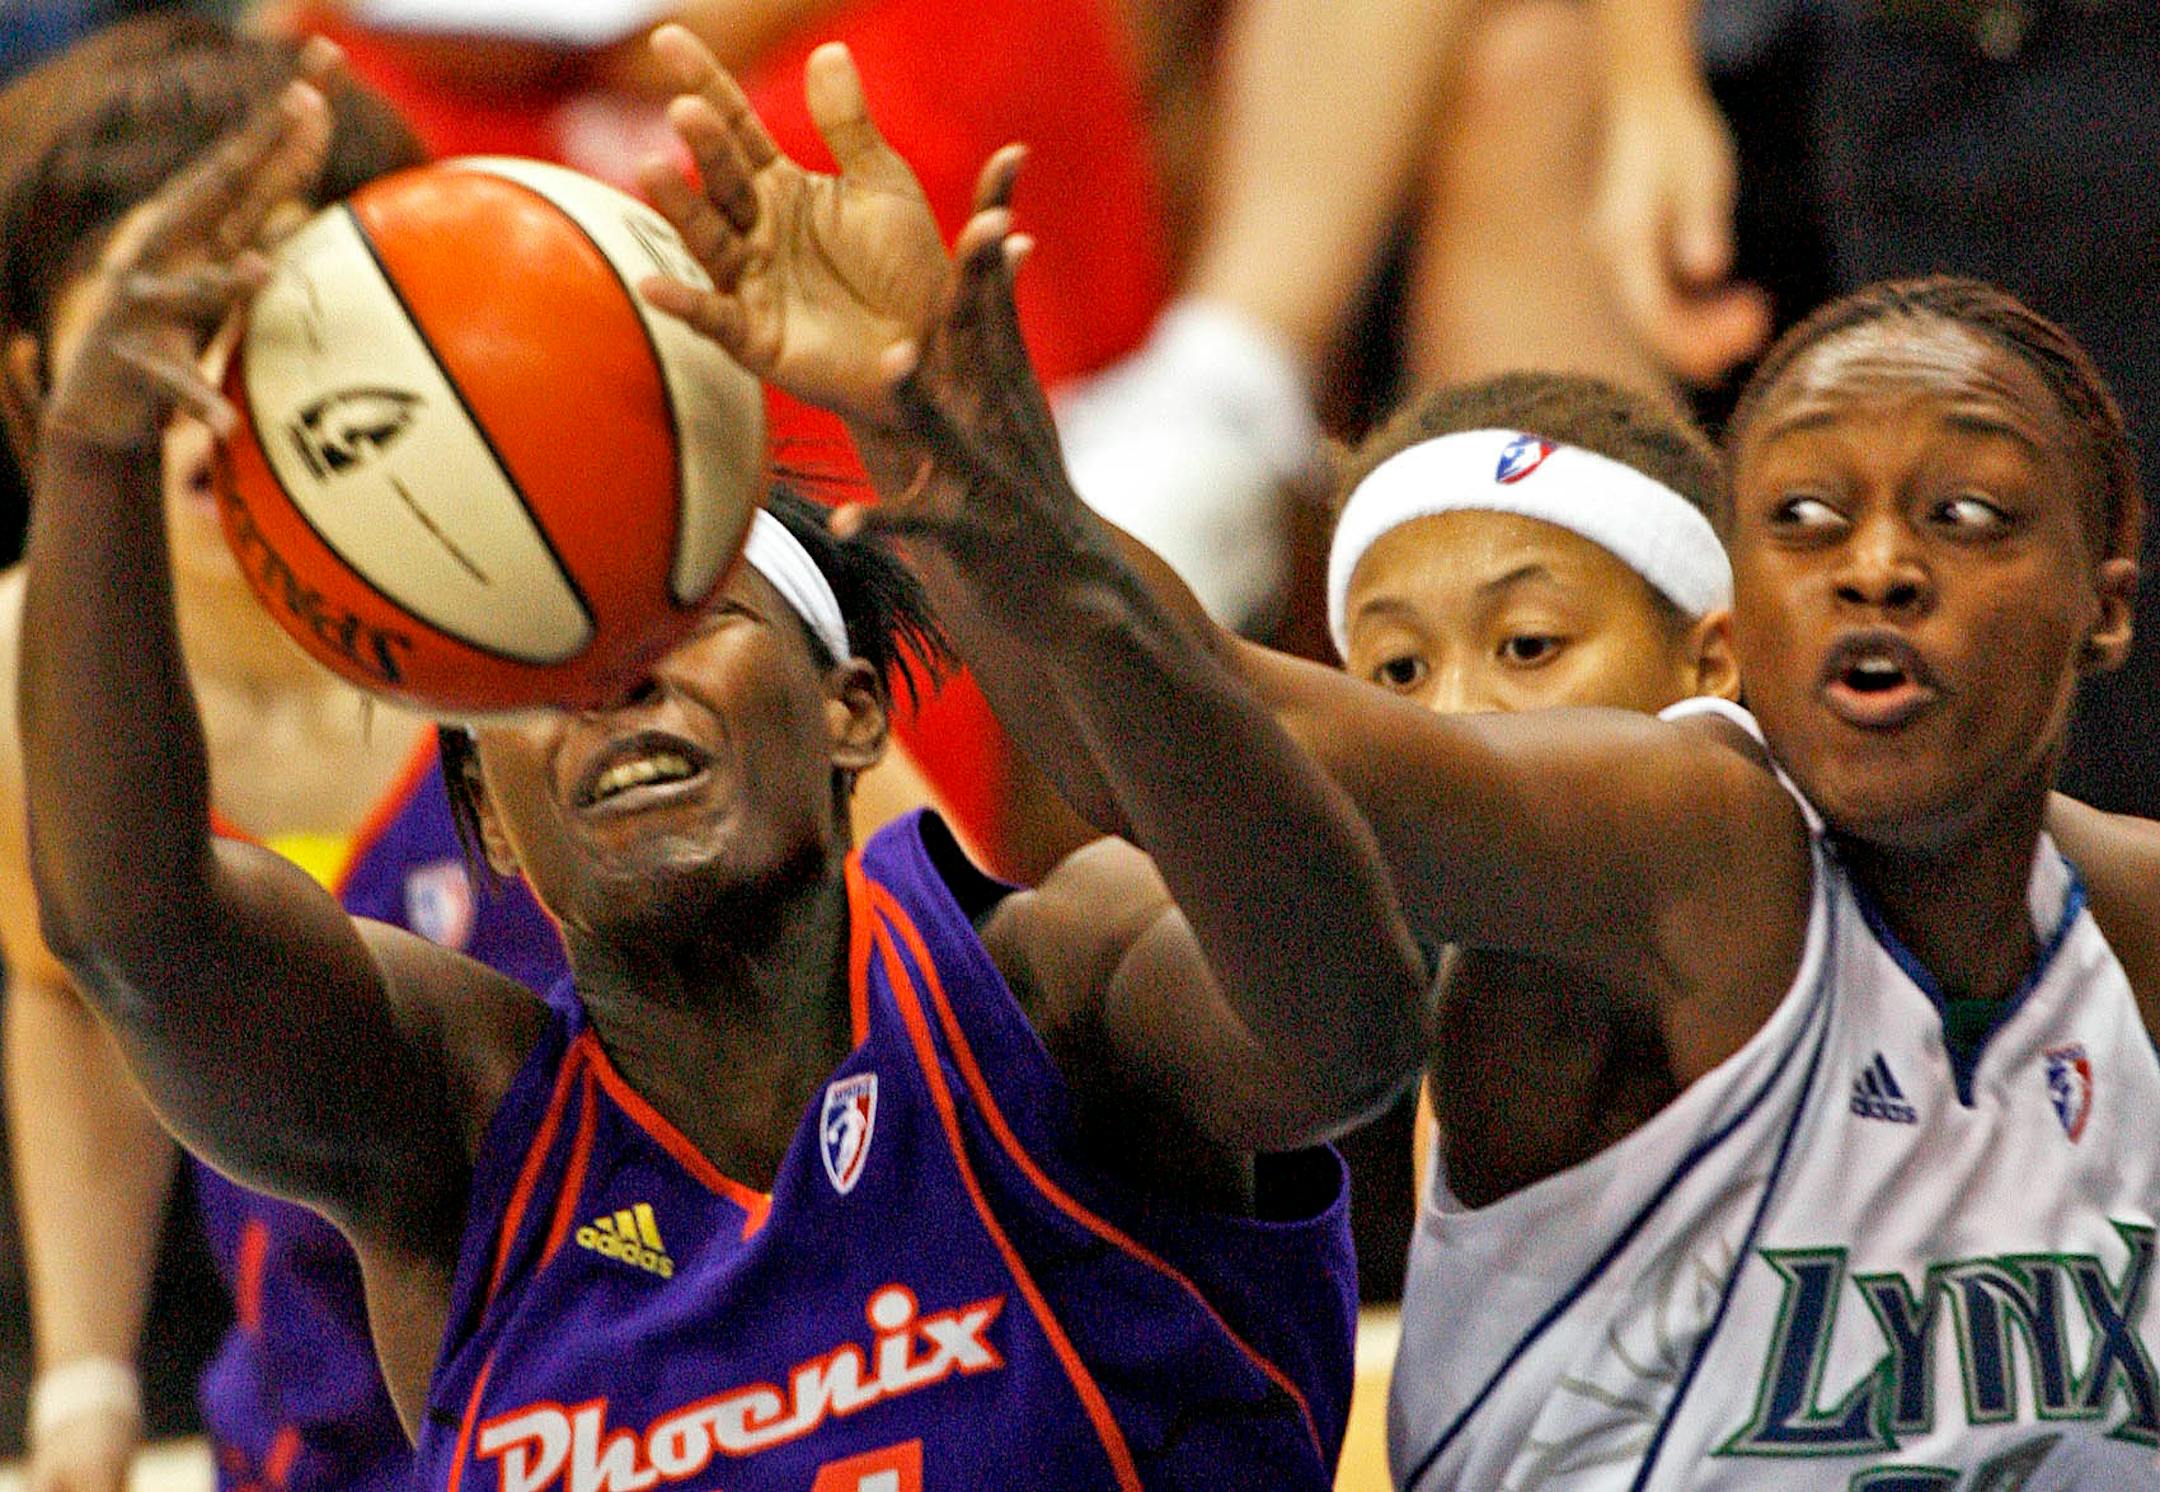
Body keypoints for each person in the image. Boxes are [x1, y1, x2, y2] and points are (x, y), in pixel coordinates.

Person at [647, 41, 2160, 1481]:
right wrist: (944, 443)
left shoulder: (2126, 923)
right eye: (1808, 523)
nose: (1878, 568)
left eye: (1967, 516)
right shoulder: (1703, 839)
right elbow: (1214, 742)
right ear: (1748, 622)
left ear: (2104, 601)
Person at [16, 39, 1426, 1492]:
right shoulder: (460, 1137)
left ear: (853, 712)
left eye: (681, 620)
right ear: (486, 822)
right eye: (541, 681)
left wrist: (948, 447)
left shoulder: (1050, 1002)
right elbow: (139, 937)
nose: (613, 683)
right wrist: (97, 446)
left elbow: (1349, 1022)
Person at [0, 21, 569, 1492]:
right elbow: (74, 1001)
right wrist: (83, 1388)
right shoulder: (26, 669)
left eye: (284, 318)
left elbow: (908, 910)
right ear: (40, 392)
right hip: (321, 1435)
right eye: (173, 319)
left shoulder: (571, 577)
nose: (223, 381)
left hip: (653, 1375)